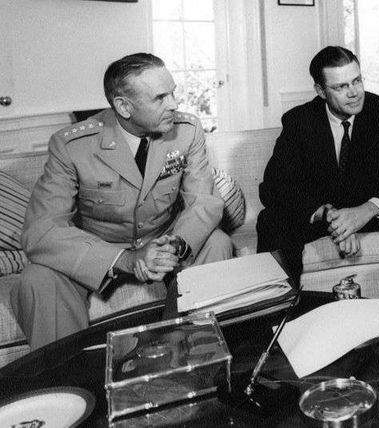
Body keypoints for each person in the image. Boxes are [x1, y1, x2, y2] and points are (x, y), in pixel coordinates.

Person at [11, 53, 233, 350]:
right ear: (124, 106)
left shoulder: (187, 131)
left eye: (173, 93)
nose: (175, 105)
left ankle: (192, 354)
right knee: (36, 278)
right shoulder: (72, 145)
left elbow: (204, 202)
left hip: (164, 239)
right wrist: (126, 260)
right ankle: (69, 381)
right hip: (100, 250)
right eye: (160, 98)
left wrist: (176, 244)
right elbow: (41, 230)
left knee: (217, 242)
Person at [256, 46, 379, 324]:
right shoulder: (299, 121)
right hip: (322, 215)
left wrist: (366, 211)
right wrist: (326, 214)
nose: (354, 92)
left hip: (367, 212)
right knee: (271, 220)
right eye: (341, 87)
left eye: (357, 81)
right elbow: (273, 188)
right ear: (320, 91)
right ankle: (279, 327)